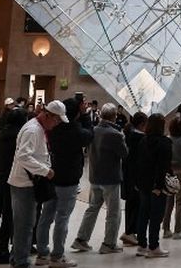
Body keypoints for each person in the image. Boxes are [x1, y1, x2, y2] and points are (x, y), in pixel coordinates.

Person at [8, 100, 65, 268]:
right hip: (23, 184)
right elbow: (23, 156)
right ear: (48, 115)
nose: (57, 125)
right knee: (24, 225)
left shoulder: (38, 128)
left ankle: (17, 257)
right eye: (57, 121)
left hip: (28, 182)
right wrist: (45, 170)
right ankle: (21, 261)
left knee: (24, 223)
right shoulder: (33, 130)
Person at [36, 99, 91, 267]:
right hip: (68, 180)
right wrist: (85, 116)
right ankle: (57, 256)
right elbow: (89, 135)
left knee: (46, 216)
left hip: (52, 176)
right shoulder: (76, 131)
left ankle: (42, 253)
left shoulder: (53, 128)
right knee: (63, 217)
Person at [73, 103, 127, 255]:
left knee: (92, 208)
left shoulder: (93, 130)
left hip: (95, 176)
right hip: (110, 178)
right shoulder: (116, 134)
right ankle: (109, 243)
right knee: (113, 212)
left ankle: (81, 239)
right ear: (114, 116)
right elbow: (124, 153)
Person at [0, 98, 26, 264]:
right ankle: (4, 250)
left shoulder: (2, 135)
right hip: (11, 179)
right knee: (8, 216)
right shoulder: (19, 137)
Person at [134, 113, 172, 258]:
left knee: (143, 214)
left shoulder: (143, 141)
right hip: (157, 185)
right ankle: (154, 246)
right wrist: (159, 185)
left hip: (143, 184)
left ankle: (141, 245)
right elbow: (163, 167)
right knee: (156, 216)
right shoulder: (165, 143)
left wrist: (137, 182)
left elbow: (138, 163)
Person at [119, 111, 147, 247]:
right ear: (142, 124)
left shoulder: (127, 134)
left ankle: (129, 231)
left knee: (130, 204)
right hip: (137, 175)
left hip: (127, 173)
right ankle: (130, 232)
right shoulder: (140, 138)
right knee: (137, 205)